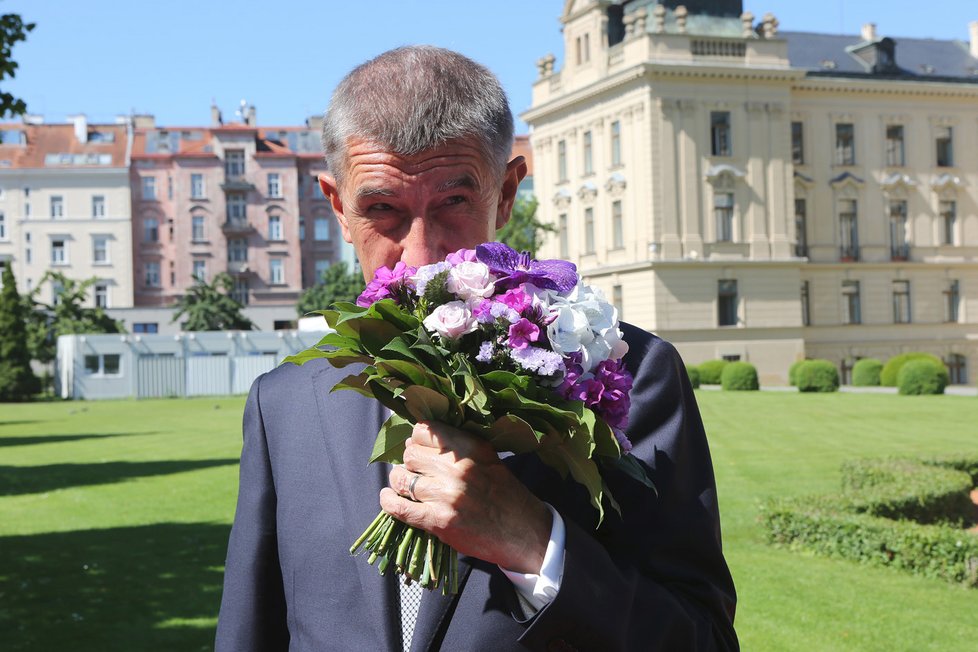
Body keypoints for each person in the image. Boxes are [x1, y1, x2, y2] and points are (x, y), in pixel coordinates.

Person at [216, 45, 737, 652]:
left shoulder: (630, 376)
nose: (420, 253)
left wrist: (535, 542)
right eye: (382, 209)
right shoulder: (284, 405)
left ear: (507, 192)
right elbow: (251, 631)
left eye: (454, 202)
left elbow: (701, 639)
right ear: (338, 206)